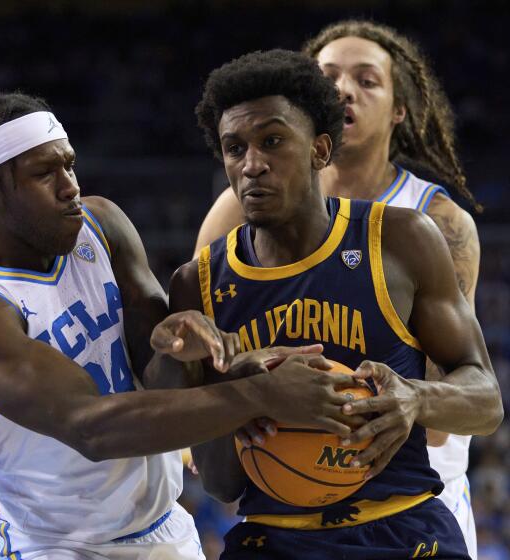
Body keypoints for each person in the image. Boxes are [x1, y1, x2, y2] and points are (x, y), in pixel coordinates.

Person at [0, 91, 368, 560]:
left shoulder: (101, 224)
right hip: (58, 547)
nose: (69, 186)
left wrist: (181, 352)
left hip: (164, 531)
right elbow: (92, 429)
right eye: (43, 173)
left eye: (68, 165)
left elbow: (161, 384)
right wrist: (263, 395)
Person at [173, 48, 502, 559]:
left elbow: (486, 400)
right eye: (234, 148)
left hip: (399, 525)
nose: (252, 164)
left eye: (273, 141)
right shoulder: (198, 284)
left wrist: (415, 398)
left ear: (320, 149)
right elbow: (220, 484)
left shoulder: (402, 238)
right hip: (273, 533)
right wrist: (237, 395)